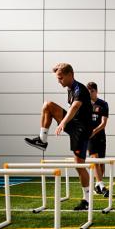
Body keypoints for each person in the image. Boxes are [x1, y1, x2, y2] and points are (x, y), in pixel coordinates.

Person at [24, 63, 93, 211]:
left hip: (82, 130)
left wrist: (62, 122)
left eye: (61, 78)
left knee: (79, 165)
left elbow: (74, 107)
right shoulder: (70, 88)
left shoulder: (79, 89)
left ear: (70, 75)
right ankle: (42, 140)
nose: (58, 81)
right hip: (74, 125)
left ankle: (87, 199)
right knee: (47, 105)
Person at [87, 81, 109, 197]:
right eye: (88, 91)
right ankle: (102, 185)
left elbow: (104, 123)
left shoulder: (103, 104)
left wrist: (94, 131)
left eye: (92, 91)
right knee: (94, 159)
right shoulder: (85, 104)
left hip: (100, 136)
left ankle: (97, 186)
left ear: (96, 91)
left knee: (101, 162)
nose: (90, 93)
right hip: (89, 138)